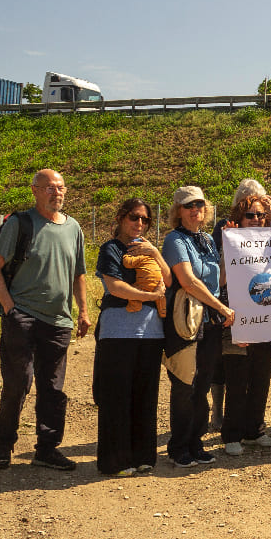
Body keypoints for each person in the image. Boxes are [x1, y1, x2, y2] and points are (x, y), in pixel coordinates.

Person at [0, 169, 90, 472]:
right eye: (49, 188)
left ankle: (47, 449)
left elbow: (78, 273)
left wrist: (82, 311)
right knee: (18, 384)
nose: (56, 192)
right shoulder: (20, 224)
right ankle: (4, 445)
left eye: (60, 187)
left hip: (59, 321)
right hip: (23, 317)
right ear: (34, 190)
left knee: (53, 388)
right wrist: (9, 307)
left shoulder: (74, 228)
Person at [93, 198, 170, 476]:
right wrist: (149, 296)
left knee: (145, 396)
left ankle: (143, 456)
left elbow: (169, 280)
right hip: (118, 332)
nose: (139, 224)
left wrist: (156, 254)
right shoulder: (110, 249)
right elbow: (115, 287)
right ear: (120, 218)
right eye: (134, 217)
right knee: (117, 397)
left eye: (145, 220)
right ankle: (116, 461)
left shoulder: (149, 250)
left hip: (151, 333)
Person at [163, 186, 235, 468]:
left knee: (202, 385)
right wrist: (220, 307)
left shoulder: (206, 239)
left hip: (209, 323)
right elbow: (189, 281)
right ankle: (178, 446)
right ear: (178, 212)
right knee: (184, 386)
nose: (195, 210)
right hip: (185, 323)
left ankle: (196, 442)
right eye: (188, 206)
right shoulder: (174, 240)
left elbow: (220, 281)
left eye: (200, 205)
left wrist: (230, 248)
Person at [217, 193, 271, 456]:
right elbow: (219, 280)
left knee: (260, 377)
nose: (256, 219)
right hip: (236, 320)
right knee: (237, 378)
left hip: (265, 319)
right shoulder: (225, 240)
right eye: (250, 215)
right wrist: (226, 243)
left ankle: (254, 430)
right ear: (238, 219)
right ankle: (232, 435)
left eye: (260, 215)